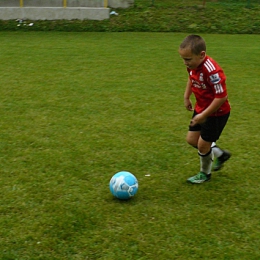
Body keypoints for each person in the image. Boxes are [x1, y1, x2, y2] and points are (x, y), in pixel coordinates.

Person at [179, 35, 231, 184]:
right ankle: (220, 154)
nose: (185, 63)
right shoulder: (192, 66)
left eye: (188, 59)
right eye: (183, 59)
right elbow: (191, 78)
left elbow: (221, 97)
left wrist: (204, 115)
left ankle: (204, 174)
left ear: (201, 55)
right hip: (202, 109)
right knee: (191, 139)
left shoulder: (212, 70)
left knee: (202, 144)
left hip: (216, 113)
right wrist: (186, 96)